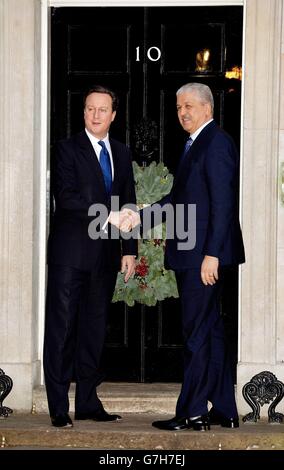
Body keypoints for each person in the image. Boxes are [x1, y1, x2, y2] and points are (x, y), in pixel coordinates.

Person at [114, 82, 245, 431]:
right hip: (196, 255)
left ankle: (192, 412)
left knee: (196, 334)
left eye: (188, 106)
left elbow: (223, 204)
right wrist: (140, 216)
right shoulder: (195, 144)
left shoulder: (215, 143)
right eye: (178, 107)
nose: (182, 112)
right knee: (212, 332)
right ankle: (225, 411)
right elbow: (178, 201)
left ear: (207, 108)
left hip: (203, 257)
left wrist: (212, 255)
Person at [44, 85, 137, 427]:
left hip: (105, 257)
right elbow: (66, 197)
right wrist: (105, 214)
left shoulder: (123, 153)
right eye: (89, 109)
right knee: (62, 330)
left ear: (113, 115)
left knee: (94, 332)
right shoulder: (67, 149)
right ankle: (58, 407)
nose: (95, 115)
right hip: (70, 256)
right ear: (83, 112)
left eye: (102, 110)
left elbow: (128, 200)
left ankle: (86, 402)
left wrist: (129, 249)